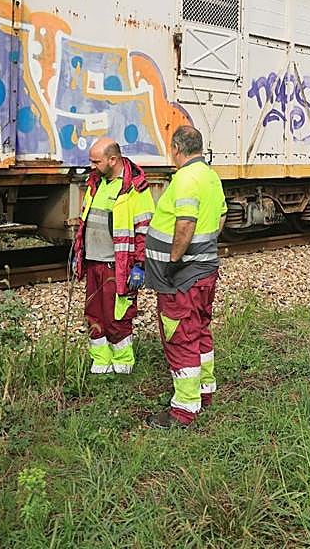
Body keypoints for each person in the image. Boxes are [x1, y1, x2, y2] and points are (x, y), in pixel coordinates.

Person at [143, 125, 226, 428]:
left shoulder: (186, 179)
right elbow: (220, 218)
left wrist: (173, 262)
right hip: (205, 271)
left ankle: (184, 409)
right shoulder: (211, 177)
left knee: (180, 335)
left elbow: (186, 224)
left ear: (177, 148)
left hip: (182, 276)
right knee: (200, 329)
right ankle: (205, 391)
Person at [73, 136, 154, 375]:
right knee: (94, 313)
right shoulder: (95, 183)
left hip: (117, 265)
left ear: (113, 159)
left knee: (118, 315)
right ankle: (101, 361)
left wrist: (140, 265)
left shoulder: (134, 188)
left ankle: (123, 363)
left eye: (96, 161)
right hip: (94, 262)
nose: (91, 166)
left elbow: (144, 229)